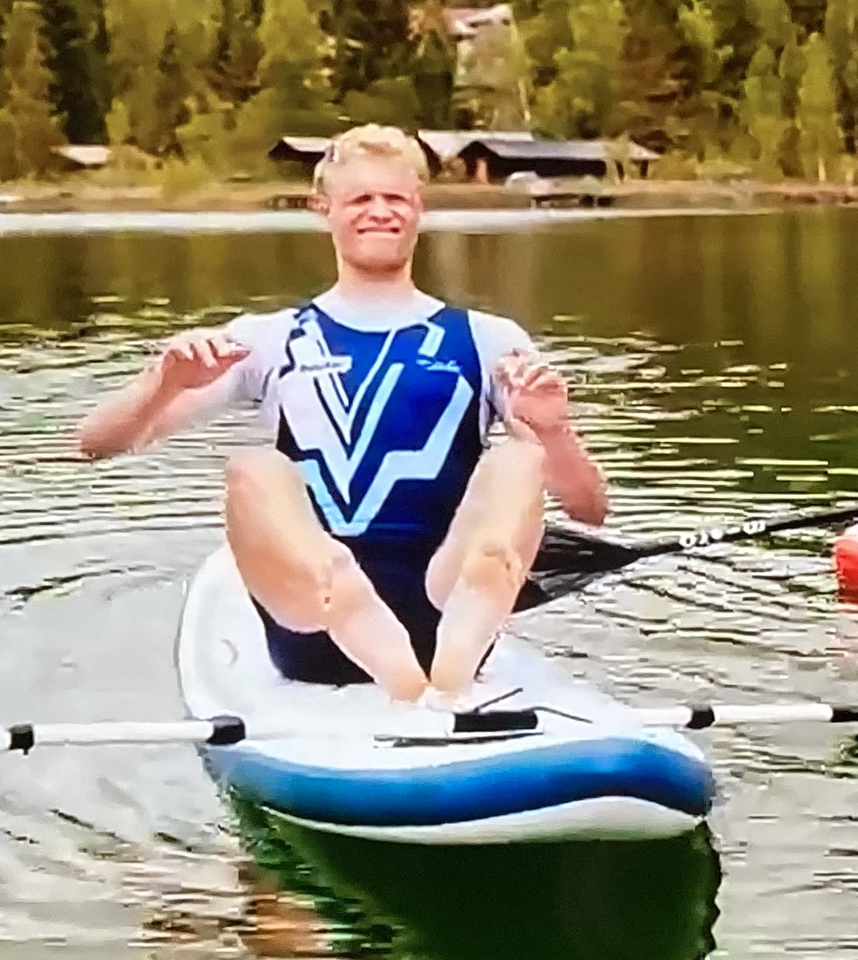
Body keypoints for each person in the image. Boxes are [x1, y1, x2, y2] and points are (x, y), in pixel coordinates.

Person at [75, 124, 607, 703]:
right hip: (318, 625)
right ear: (324, 210)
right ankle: (391, 658)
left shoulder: (490, 340)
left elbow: (589, 510)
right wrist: (163, 382)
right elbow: (96, 443)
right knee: (256, 471)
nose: (379, 212)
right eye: (360, 199)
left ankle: (449, 672)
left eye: (395, 198)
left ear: (418, 209)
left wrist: (554, 432)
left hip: (444, 610)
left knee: (520, 462)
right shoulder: (267, 339)